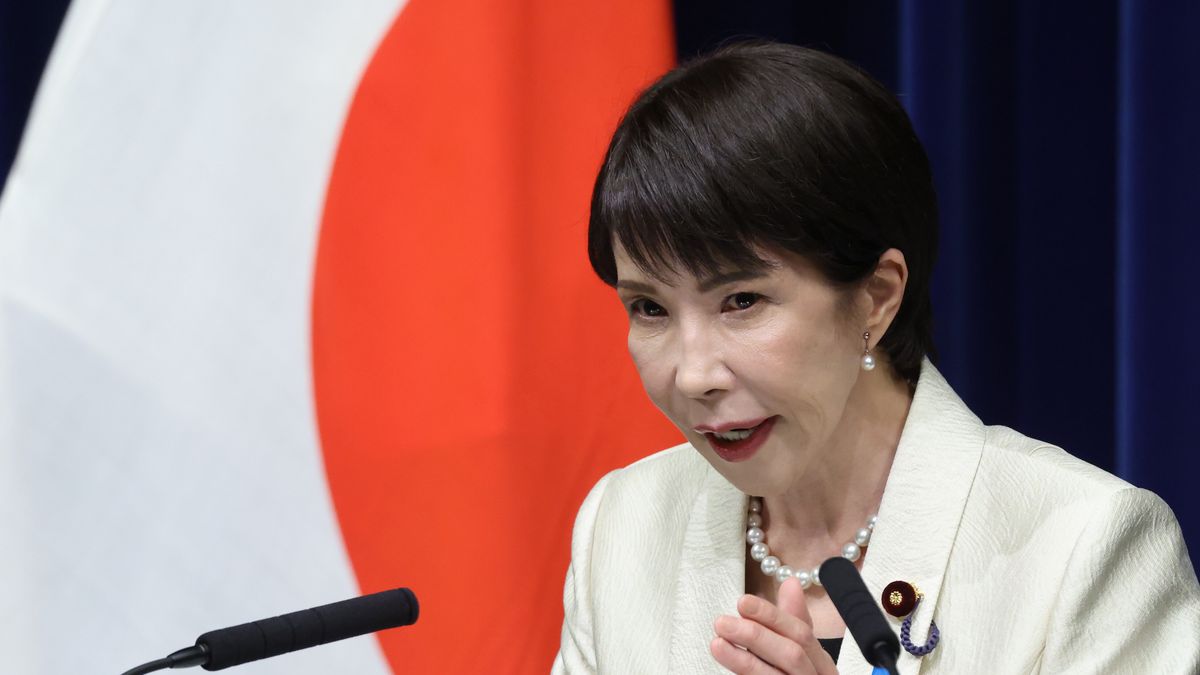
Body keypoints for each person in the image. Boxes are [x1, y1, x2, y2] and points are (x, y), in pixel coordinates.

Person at [552, 42, 1200, 674]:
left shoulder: (1082, 545)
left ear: (876, 299)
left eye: (741, 300)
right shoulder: (623, 523)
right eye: (649, 308)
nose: (692, 375)